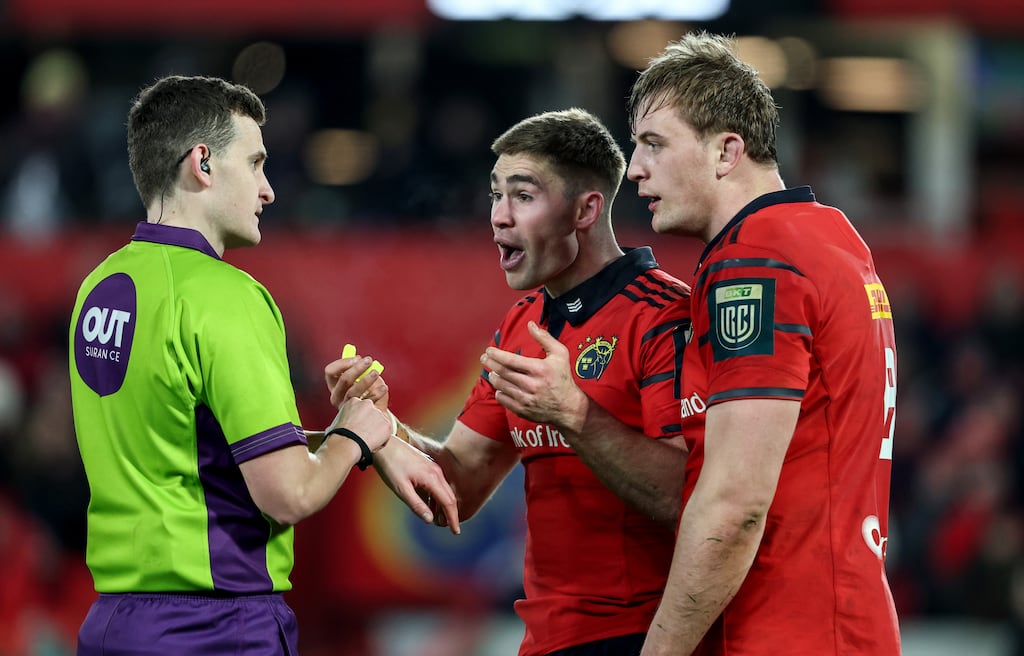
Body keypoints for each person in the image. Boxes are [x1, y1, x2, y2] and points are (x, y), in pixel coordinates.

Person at [330, 108, 692, 656]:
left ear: (585, 209)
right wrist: (379, 428)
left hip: (648, 637)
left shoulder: (666, 317)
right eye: (495, 195)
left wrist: (574, 414)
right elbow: (458, 486)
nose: (499, 216)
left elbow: (687, 496)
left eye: (523, 196)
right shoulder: (521, 324)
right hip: (544, 638)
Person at [68, 74, 403, 655]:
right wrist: (358, 431)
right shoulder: (227, 296)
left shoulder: (98, 287)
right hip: (215, 627)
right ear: (202, 163)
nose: (268, 189)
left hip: (112, 622)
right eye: (255, 163)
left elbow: (185, 440)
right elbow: (288, 494)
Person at [622, 32, 901, 655]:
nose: (634, 167)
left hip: (792, 630)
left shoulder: (755, 263)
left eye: (653, 144)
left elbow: (735, 502)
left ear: (727, 151)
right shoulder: (829, 240)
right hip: (842, 620)